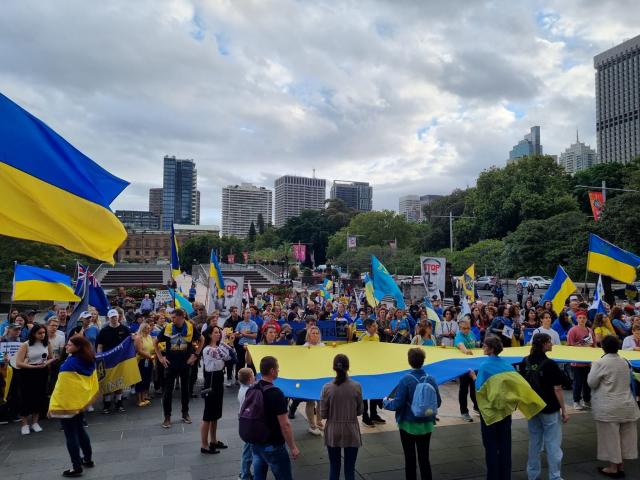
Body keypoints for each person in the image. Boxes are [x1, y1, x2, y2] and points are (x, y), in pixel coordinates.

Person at [383, 347, 441, 480]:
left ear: (409, 361)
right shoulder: (430, 379)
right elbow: (437, 402)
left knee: (410, 460)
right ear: (423, 360)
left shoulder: (405, 380)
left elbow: (398, 403)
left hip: (408, 424)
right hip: (426, 425)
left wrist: (385, 403)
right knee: (424, 459)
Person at [588, 335, 640, 478]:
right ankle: (621, 465)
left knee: (610, 438)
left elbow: (591, 383)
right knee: (625, 437)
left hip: (608, 406)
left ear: (603, 347)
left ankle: (613, 467)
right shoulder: (625, 362)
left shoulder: (599, 363)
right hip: (627, 404)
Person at [519, 333, 569, 480]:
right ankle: (555, 476)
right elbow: (558, 388)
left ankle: (532, 475)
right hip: (550, 408)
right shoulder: (550, 364)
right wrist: (564, 410)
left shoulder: (525, 361)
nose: (552, 344)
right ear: (544, 344)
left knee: (534, 442)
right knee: (553, 443)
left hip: (532, 407)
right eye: (550, 342)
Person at [51, 336, 96, 477]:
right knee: (80, 430)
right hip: (80, 401)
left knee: (70, 434)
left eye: (69, 345)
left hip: (67, 403)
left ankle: (76, 467)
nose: (66, 347)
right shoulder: (88, 359)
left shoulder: (70, 363)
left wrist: (55, 404)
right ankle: (87, 459)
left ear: (78, 347)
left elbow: (62, 387)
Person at [250, 356, 300, 480]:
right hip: (273, 443)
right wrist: (293, 447)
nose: (278, 371)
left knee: (259, 475)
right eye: (277, 369)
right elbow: (285, 425)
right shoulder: (275, 393)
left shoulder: (253, 388)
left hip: (256, 442)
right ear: (272, 371)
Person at [154, 308, 203, 428]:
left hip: (186, 364)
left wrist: (195, 355)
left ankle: (185, 413)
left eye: (174, 317)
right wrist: (160, 357)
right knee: (167, 391)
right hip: (170, 364)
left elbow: (202, 339)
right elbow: (155, 342)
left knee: (185, 390)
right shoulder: (168, 327)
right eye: (171, 317)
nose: (171, 319)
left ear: (182, 317)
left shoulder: (190, 327)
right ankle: (167, 417)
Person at [320, 354, 363, 480]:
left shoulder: (326, 387)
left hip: (333, 430)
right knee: (350, 469)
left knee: (334, 467)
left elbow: (323, 414)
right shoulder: (356, 386)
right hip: (351, 429)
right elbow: (360, 411)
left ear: (334, 368)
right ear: (348, 367)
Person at [15, 323, 54, 435]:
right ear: (33, 334)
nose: (42, 335)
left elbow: (52, 358)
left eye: (44, 333)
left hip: (42, 373)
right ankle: (25, 424)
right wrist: (33, 366)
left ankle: (35, 422)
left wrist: (46, 363)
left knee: (39, 397)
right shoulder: (25, 345)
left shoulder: (47, 344)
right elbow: (18, 363)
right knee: (26, 398)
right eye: (39, 333)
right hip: (27, 373)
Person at [200, 325, 232, 454]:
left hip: (218, 378)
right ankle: (204, 444)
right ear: (209, 335)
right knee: (208, 414)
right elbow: (224, 356)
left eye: (219, 332)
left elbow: (229, 355)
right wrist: (225, 341)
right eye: (216, 332)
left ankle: (213, 440)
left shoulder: (217, 347)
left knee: (215, 414)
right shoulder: (208, 349)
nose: (218, 334)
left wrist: (226, 343)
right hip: (211, 380)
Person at [96, 309, 131, 413]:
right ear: (108, 318)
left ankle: (118, 402)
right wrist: (100, 357)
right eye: (112, 317)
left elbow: (130, 342)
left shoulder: (125, 329)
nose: (114, 319)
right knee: (107, 381)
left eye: (115, 316)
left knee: (119, 381)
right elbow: (100, 346)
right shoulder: (104, 331)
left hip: (120, 360)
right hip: (108, 360)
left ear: (118, 317)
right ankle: (107, 404)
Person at [567, 310, 595, 410]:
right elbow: (569, 346)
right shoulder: (573, 330)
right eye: (580, 318)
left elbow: (593, 345)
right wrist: (581, 345)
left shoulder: (590, 330)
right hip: (577, 362)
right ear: (576, 319)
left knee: (587, 383)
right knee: (577, 382)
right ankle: (576, 401)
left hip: (587, 362)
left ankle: (587, 400)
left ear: (586, 319)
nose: (582, 320)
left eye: (584, 318)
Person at [454, 319, 479, 422]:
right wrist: (466, 351)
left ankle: (477, 407)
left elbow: (476, 344)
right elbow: (460, 345)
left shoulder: (471, 333)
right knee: (464, 390)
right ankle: (464, 412)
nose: (466, 330)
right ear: (460, 328)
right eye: (464, 328)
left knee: (475, 388)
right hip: (463, 367)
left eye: (468, 328)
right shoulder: (459, 336)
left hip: (474, 365)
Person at [237, 367, 255, 480]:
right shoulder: (249, 392)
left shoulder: (243, 388)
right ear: (249, 379)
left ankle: (245, 473)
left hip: (244, 421)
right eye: (253, 375)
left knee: (249, 448)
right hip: (249, 423)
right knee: (248, 450)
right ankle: (244, 475)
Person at [134, 321, 154, 407]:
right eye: (147, 328)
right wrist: (150, 357)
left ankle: (143, 398)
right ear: (143, 329)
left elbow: (152, 347)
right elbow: (139, 351)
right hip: (141, 361)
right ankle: (139, 399)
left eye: (149, 328)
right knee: (140, 380)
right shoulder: (138, 337)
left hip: (149, 360)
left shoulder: (149, 337)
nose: (149, 329)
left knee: (146, 379)